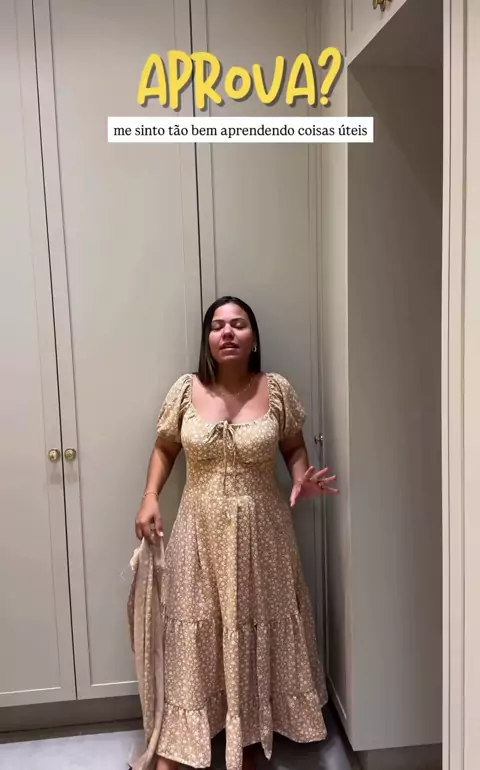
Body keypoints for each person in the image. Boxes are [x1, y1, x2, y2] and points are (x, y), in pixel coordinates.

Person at [134, 296, 338, 770]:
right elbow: (165, 448)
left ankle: (249, 733)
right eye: (218, 325)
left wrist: (301, 476)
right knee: (197, 626)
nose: (227, 332)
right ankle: (187, 736)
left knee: (254, 622)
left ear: (254, 337)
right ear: (207, 338)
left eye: (238, 324)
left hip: (262, 532)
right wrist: (149, 497)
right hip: (199, 528)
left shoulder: (276, 389)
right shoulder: (185, 390)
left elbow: (293, 447)